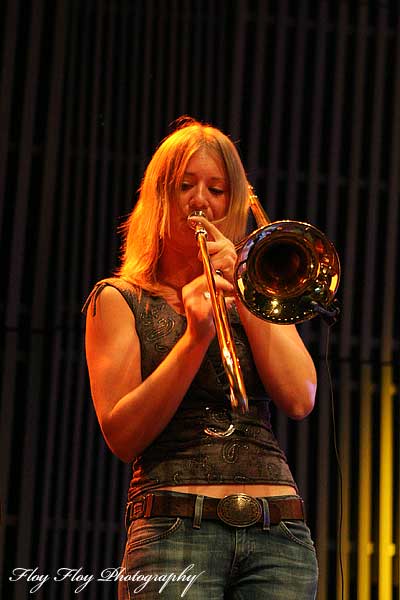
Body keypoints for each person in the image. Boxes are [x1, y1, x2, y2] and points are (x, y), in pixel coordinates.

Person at [83, 117, 319, 599]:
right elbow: (122, 434)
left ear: (232, 202)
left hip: (280, 533)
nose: (201, 201)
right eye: (185, 186)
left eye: (216, 188)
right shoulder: (119, 297)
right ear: (158, 199)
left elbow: (300, 398)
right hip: (173, 528)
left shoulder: (260, 290)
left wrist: (247, 291)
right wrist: (195, 338)